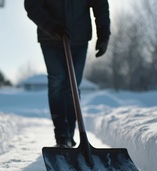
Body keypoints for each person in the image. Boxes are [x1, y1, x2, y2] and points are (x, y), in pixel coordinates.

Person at [24, 0, 110, 148]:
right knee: (57, 82)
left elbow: (99, 3)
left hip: (79, 38)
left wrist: (103, 33)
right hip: (50, 37)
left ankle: (69, 134)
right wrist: (53, 28)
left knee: (73, 86)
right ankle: (62, 136)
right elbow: (32, 5)